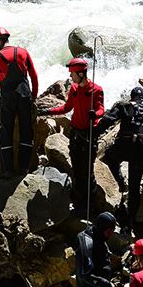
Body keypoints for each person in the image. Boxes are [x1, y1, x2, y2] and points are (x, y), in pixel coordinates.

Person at [95, 87, 143, 235]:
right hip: (142, 151)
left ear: (132, 97)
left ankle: (120, 183)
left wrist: (94, 133)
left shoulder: (125, 107)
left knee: (109, 158)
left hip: (123, 146)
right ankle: (130, 224)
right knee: (135, 188)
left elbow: (107, 120)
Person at [40, 58, 105, 214]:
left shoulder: (96, 90)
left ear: (81, 73)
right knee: (76, 169)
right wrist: (48, 111)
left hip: (89, 134)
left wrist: (94, 114)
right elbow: (67, 108)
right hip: (76, 133)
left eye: (72, 74)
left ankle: (90, 205)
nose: (70, 77)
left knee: (87, 171)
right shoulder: (74, 89)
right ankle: (78, 202)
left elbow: (101, 109)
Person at [0, 27, 40, 176]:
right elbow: (34, 76)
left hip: (8, 97)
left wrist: (2, 90)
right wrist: (34, 96)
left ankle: (8, 170)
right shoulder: (23, 52)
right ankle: (24, 168)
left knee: (6, 131)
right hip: (25, 95)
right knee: (26, 131)